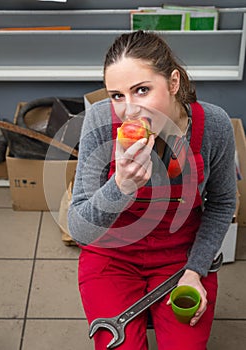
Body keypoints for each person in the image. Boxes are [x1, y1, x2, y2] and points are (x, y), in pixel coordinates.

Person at [68, 30, 236, 350]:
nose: (129, 110)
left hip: (180, 256)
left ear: (173, 83)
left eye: (142, 90)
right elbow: (79, 228)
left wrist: (195, 270)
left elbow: (222, 201)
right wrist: (120, 187)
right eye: (117, 95)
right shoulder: (99, 121)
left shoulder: (214, 125)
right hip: (111, 255)